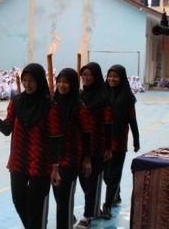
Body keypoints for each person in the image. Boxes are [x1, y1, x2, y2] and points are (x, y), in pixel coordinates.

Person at [0, 63, 62, 228]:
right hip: (19, 160)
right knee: (19, 202)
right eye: (24, 80)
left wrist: (55, 167)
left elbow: (55, 138)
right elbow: (6, 130)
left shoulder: (50, 105)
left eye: (31, 80)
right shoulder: (16, 102)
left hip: (40, 163)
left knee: (34, 207)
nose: (27, 84)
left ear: (39, 81)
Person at [53, 68, 91, 229]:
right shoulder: (53, 103)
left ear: (73, 84)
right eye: (59, 81)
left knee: (64, 197)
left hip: (71, 157)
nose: (61, 85)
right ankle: (68, 218)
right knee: (59, 197)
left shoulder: (79, 106)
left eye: (66, 82)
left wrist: (87, 159)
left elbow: (86, 133)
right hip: (54, 157)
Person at [76, 62, 112, 229]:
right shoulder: (79, 96)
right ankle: (92, 207)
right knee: (82, 179)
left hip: (96, 145)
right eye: (84, 75)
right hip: (80, 145)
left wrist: (107, 147)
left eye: (89, 75)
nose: (86, 78)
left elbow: (107, 124)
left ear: (96, 77)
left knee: (90, 181)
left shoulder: (103, 100)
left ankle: (87, 215)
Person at [102, 64, 140, 219]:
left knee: (113, 173)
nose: (112, 79)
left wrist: (136, 140)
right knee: (105, 173)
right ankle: (115, 194)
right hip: (103, 140)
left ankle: (107, 205)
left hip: (118, 140)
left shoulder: (127, 97)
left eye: (115, 76)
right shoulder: (102, 94)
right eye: (110, 76)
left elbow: (132, 119)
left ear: (122, 78)